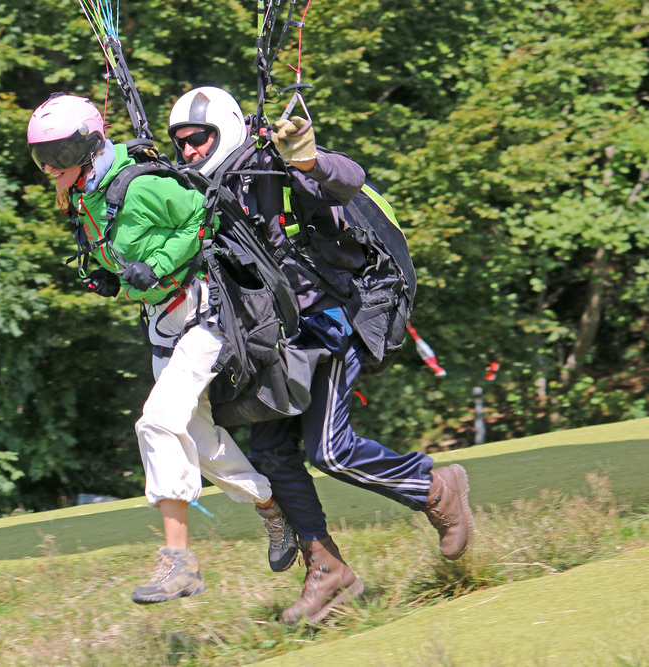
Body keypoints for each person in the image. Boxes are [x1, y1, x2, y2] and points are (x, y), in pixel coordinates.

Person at [168, 86, 475, 624]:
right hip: (275, 342)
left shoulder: (271, 166)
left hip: (330, 320)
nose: (190, 150)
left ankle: (434, 487)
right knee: (269, 450)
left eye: (199, 138)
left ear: (225, 130)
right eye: (181, 143)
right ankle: (327, 569)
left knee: (328, 450)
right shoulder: (200, 194)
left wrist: (305, 156)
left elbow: (345, 180)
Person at [26, 92, 298, 605]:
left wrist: (159, 264)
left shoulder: (142, 184)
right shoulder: (86, 198)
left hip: (205, 310)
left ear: (87, 149)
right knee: (194, 433)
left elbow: (205, 218)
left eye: (59, 155)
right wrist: (110, 279)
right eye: (42, 157)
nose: (49, 168)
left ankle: (179, 562)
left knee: (155, 421)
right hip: (162, 322)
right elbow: (110, 252)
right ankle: (269, 504)